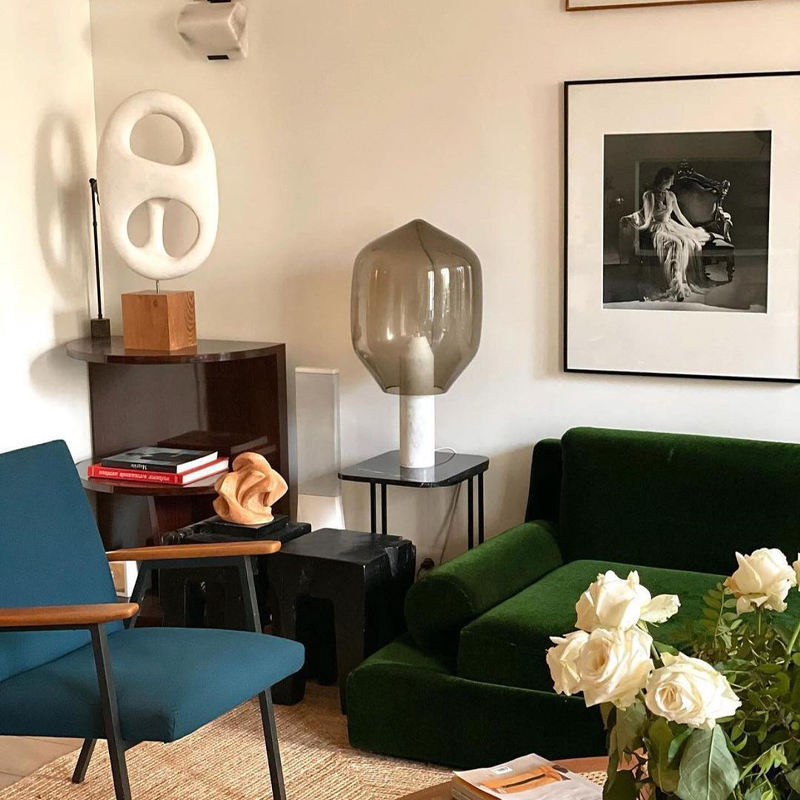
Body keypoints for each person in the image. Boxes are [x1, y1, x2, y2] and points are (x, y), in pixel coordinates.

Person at [623, 167, 710, 302]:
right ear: (664, 179)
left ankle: (681, 281)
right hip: (657, 228)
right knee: (677, 243)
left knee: (685, 241)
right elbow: (646, 216)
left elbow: (680, 216)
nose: (672, 183)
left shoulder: (671, 196)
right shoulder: (649, 195)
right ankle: (676, 285)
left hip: (670, 226)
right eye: (671, 180)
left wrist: (692, 229)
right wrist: (637, 224)